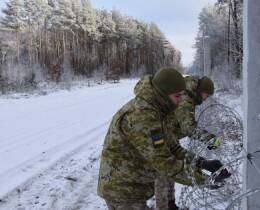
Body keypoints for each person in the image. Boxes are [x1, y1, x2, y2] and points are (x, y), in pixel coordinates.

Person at [97, 68, 230, 210]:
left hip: (134, 186)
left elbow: (173, 148)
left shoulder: (160, 111)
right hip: (122, 190)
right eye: (177, 96)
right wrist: (203, 179)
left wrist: (202, 163)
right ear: (163, 94)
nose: (180, 101)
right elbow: (164, 162)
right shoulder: (142, 115)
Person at [155, 75, 228, 210]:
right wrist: (209, 139)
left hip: (169, 137)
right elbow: (188, 127)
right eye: (206, 95)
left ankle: (170, 204)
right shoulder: (185, 99)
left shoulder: (188, 96)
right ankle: (163, 206)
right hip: (160, 139)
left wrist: (204, 162)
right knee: (164, 173)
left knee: (170, 171)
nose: (205, 99)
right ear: (200, 90)